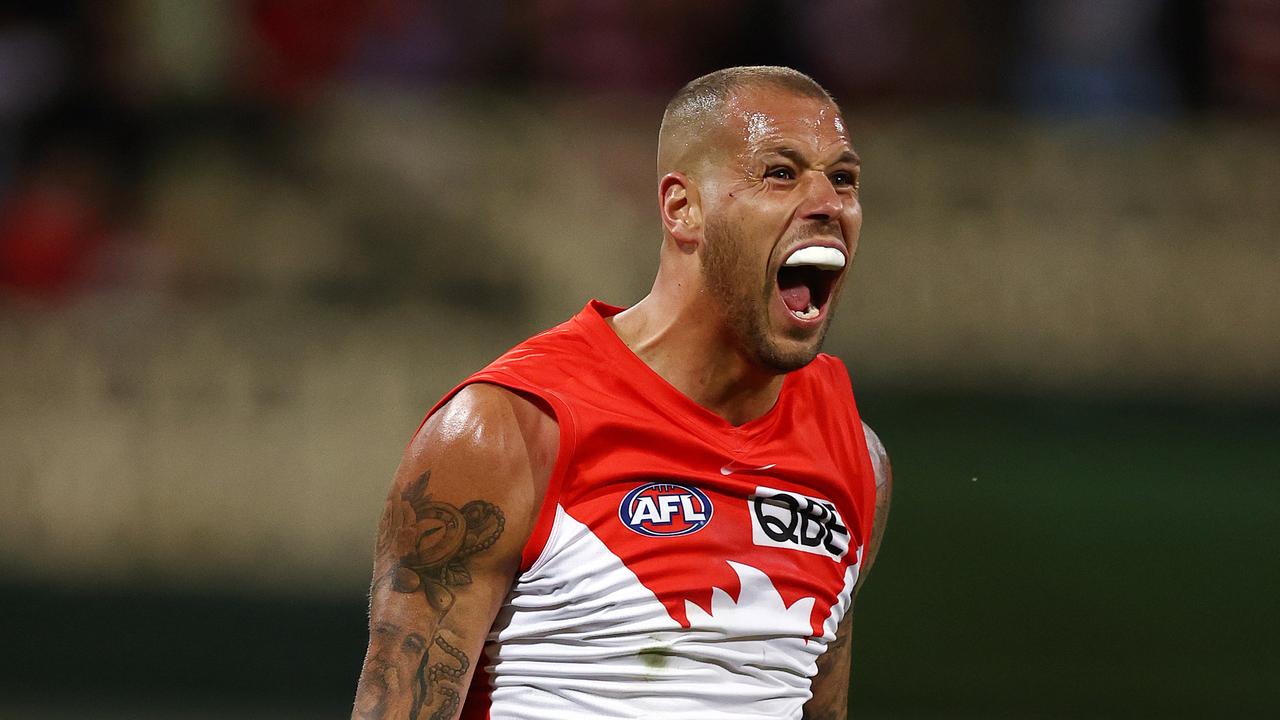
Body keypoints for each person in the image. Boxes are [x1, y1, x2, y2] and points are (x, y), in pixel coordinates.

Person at [352, 65, 893, 720]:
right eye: (780, 173)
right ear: (681, 208)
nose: (828, 204)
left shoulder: (855, 460)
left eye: (843, 179)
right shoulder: (511, 429)